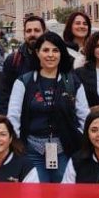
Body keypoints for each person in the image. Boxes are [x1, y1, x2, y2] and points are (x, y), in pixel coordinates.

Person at [7, 32, 90, 183]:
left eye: (55, 50)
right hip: (32, 150)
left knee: (64, 196)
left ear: (61, 54)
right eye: (46, 50)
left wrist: (78, 138)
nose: (50, 55)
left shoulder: (72, 82)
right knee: (36, 195)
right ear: (37, 53)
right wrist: (17, 146)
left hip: (65, 150)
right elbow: (13, 117)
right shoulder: (23, 82)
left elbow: (84, 116)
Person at [1, 16, 45, 99]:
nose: (32, 34)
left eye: (37, 30)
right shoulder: (13, 60)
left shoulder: (53, 59)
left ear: (44, 32)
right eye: (28, 31)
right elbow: (5, 93)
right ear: (24, 34)